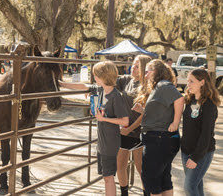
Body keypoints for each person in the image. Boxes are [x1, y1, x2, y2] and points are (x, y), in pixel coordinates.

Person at [59, 60, 129, 196]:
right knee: (106, 177)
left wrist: (104, 119)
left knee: (109, 177)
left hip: (110, 142)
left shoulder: (116, 96)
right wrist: (61, 84)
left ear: (103, 76)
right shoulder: (100, 90)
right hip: (102, 141)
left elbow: (125, 120)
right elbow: (83, 86)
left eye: (95, 75)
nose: (94, 78)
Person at [133, 59, 184, 196]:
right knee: (163, 180)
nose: (145, 75)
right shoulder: (159, 87)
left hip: (159, 139)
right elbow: (160, 114)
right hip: (161, 139)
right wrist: (144, 111)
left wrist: (176, 122)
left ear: (156, 71)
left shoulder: (163, 85)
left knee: (151, 181)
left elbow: (179, 99)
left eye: (148, 71)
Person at [116, 55, 152, 196]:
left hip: (138, 132)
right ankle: (124, 193)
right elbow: (107, 80)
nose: (133, 68)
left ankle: (146, 193)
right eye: (133, 65)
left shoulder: (147, 86)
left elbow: (145, 114)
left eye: (137, 66)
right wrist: (94, 92)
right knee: (120, 165)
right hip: (124, 129)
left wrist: (130, 129)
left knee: (140, 168)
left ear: (144, 68)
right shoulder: (126, 80)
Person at [181, 69, 220, 196]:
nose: (188, 85)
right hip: (186, 151)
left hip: (202, 153)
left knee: (189, 187)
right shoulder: (189, 100)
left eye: (192, 81)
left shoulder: (209, 105)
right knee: (197, 186)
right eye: (188, 81)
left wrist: (195, 157)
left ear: (202, 82)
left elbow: (206, 135)